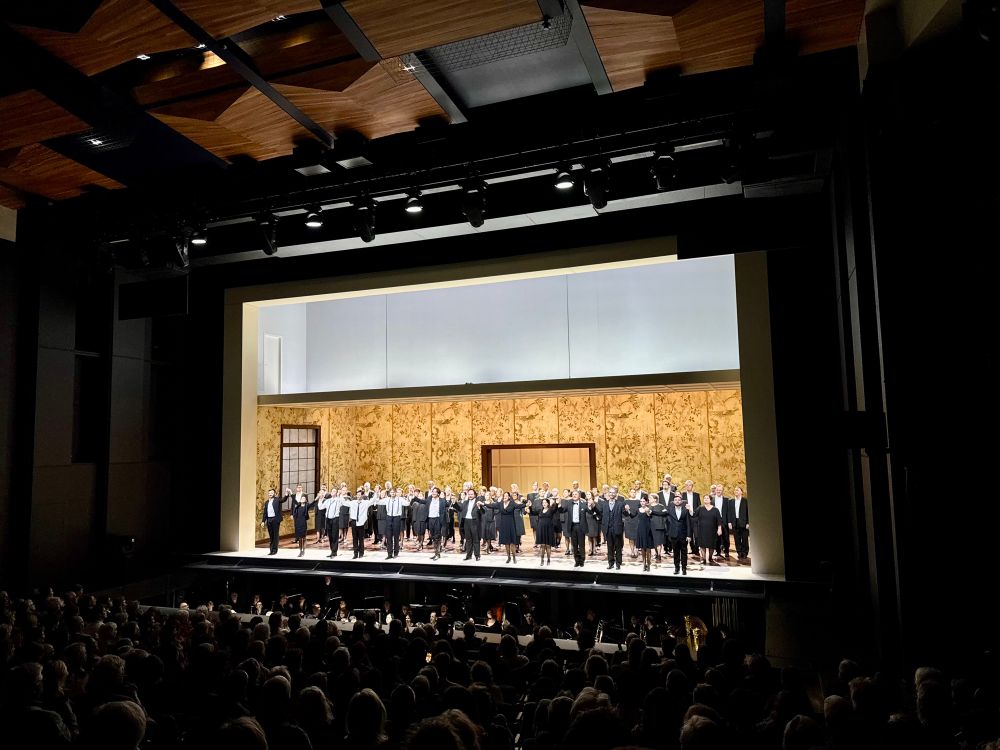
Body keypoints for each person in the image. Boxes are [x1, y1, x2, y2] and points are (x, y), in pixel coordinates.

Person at [599, 486, 635, 570]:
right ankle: (610, 563)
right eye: (610, 492)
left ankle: (618, 563)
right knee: (610, 546)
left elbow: (626, 515)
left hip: (617, 528)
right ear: (608, 494)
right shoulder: (604, 503)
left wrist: (627, 510)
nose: (611, 494)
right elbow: (600, 514)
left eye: (613, 492)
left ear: (616, 494)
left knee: (618, 546)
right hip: (608, 528)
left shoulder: (620, 503)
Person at [485, 491, 526, 563]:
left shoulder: (512, 503)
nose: (505, 497)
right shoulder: (500, 504)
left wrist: (526, 504)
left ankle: (514, 557)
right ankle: (508, 557)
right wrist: (484, 504)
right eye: (504, 495)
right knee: (506, 542)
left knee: (512, 542)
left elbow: (519, 506)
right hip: (503, 524)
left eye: (506, 495)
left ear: (509, 497)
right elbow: (491, 505)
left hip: (511, 524)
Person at [376, 488, 412, 559]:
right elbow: (379, 502)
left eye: (394, 492)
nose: (392, 493)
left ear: (396, 493)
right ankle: (389, 554)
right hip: (389, 518)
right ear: (390, 493)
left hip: (396, 518)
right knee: (388, 536)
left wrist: (409, 497)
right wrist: (377, 495)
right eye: (391, 492)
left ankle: (396, 552)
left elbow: (407, 503)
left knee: (396, 536)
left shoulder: (400, 499)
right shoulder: (387, 499)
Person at [665, 492, 693, 575]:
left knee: (684, 552)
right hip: (673, 534)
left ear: (681, 501)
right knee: (676, 552)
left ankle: (684, 568)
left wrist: (689, 535)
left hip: (683, 535)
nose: (677, 501)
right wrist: (651, 511)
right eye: (675, 500)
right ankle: (677, 568)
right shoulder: (670, 510)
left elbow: (688, 523)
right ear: (673, 502)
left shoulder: (685, 510)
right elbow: (662, 514)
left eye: (678, 500)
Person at [692, 495, 723, 568]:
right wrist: (690, 509)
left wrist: (719, 528)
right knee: (702, 544)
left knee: (711, 545)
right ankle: (703, 559)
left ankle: (710, 558)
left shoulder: (715, 509)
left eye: (707, 498)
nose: (705, 499)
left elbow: (719, 520)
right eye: (704, 498)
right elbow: (694, 516)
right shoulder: (700, 508)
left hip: (712, 530)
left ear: (710, 500)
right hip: (702, 529)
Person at [458, 490, 485, 561]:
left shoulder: (478, 502)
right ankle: (468, 555)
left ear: (475, 495)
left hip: (474, 522)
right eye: (469, 494)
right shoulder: (465, 502)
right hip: (466, 521)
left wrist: (479, 507)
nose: (470, 495)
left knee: (476, 539)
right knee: (468, 540)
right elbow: (460, 509)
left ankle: (477, 555)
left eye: (471, 494)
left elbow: (483, 512)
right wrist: (454, 503)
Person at [635, 496, 659, 571]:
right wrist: (628, 510)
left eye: (644, 501)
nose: (642, 503)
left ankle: (648, 564)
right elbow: (632, 516)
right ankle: (644, 564)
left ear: (646, 502)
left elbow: (650, 516)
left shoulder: (649, 509)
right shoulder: (638, 509)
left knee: (648, 548)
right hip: (640, 530)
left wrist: (647, 511)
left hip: (648, 530)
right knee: (642, 548)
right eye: (641, 501)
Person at [566, 490, 589, 568]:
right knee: (574, 545)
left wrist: (591, 505)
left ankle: (582, 560)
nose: (574, 495)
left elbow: (589, 510)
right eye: (573, 494)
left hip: (581, 526)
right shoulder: (569, 503)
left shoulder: (583, 503)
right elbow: (562, 510)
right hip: (572, 526)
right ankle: (576, 561)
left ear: (579, 495)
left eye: (576, 494)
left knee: (581, 545)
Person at [726, 486, 750, 561]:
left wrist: (748, 523)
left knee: (745, 538)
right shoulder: (731, 501)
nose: (736, 491)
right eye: (735, 490)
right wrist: (729, 522)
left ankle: (745, 552)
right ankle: (739, 552)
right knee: (737, 538)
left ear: (741, 492)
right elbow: (729, 512)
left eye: (737, 490)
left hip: (743, 522)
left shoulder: (745, 501)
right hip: (734, 522)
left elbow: (748, 512)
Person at [530, 496, 556, 565]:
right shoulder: (540, 510)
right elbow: (532, 512)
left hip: (549, 529)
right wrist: (530, 507)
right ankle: (542, 560)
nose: (544, 504)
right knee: (542, 545)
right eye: (543, 502)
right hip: (541, 529)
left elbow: (555, 508)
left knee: (548, 545)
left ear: (548, 503)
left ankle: (548, 560)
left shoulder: (551, 510)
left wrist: (554, 503)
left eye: (545, 502)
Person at [349, 491, 374, 558]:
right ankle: (355, 553)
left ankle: (361, 553)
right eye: (357, 495)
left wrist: (376, 493)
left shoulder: (365, 503)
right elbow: (344, 503)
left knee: (361, 539)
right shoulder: (353, 502)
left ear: (362, 496)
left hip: (361, 522)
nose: (358, 496)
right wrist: (340, 495)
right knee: (354, 538)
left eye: (360, 495)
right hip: (354, 521)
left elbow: (372, 501)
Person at [325, 489, 349, 558]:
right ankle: (332, 550)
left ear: (337, 493)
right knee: (330, 536)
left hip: (335, 519)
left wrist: (340, 495)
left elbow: (345, 503)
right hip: (328, 519)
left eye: (334, 491)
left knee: (335, 535)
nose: (333, 492)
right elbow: (321, 507)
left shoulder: (339, 500)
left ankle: (334, 552)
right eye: (332, 491)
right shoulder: (328, 500)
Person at [291, 491, 314, 557]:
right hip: (298, 523)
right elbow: (293, 499)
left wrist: (317, 498)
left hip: (303, 523)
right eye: (302, 498)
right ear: (300, 500)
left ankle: (303, 550)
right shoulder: (298, 506)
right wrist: (291, 493)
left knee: (303, 537)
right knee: (299, 538)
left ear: (306, 500)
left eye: (304, 498)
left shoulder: (307, 506)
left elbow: (313, 503)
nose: (303, 499)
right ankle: (300, 550)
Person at [261, 488, 282, 555]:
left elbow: (283, 500)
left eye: (272, 493)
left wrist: (287, 495)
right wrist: (263, 521)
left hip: (275, 519)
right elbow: (265, 513)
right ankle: (271, 550)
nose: (270, 494)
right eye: (269, 493)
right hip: (269, 520)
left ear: (274, 494)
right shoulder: (267, 502)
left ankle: (275, 550)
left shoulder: (277, 500)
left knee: (275, 535)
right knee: (271, 535)